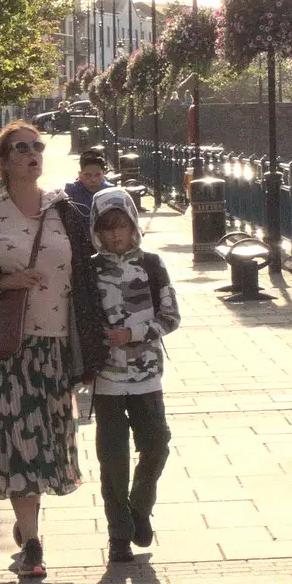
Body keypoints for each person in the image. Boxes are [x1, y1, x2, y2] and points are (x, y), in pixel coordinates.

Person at [0, 121, 108, 578]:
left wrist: (95, 346)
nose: (33, 153)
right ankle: (33, 543)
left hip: (55, 347)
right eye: (22, 148)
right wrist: (4, 281)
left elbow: (87, 280)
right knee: (18, 444)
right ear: (4, 160)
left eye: (38, 146)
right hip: (5, 350)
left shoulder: (65, 212)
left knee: (45, 445)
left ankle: (28, 522)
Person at [87, 187, 180, 564]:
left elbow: (171, 317)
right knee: (113, 459)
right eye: (106, 228)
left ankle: (139, 507)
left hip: (147, 376)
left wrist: (136, 334)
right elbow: (80, 321)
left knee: (156, 444)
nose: (114, 234)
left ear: (133, 224)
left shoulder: (153, 265)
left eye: (121, 225)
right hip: (106, 379)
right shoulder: (89, 270)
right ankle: (119, 535)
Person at [65, 152, 108, 218]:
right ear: (80, 175)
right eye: (88, 175)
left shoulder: (110, 190)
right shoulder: (71, 190)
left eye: (98, 175)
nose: (93, 179)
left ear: (103, 174)